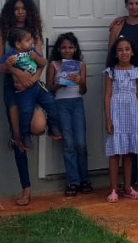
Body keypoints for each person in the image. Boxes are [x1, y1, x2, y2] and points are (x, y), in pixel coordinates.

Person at [0, 0, 48, 206]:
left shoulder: (34, 33)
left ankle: (16, 132)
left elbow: (41, 63)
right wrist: (18, 74)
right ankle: (26, 189)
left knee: (38, 127)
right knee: (19, 139)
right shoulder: (3, 32)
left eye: (23, 8)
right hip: (12, 87)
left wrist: (31, 79)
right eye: (16, 8)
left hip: (32, 87)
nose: (20, 12)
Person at [108, 0, 138, 189]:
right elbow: (111, 50)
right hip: (122, 81)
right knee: (126, 132)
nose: (134, 7)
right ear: (126, 5)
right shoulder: (119, 25)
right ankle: (130, 181)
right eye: (131, 3)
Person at [103, 37, 138, 202]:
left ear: (132, 52)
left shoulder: (137, 72)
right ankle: (113, 189)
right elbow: (107, 96)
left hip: (132, 113)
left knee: (129, 152)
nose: (124, 53)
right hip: (116, 113)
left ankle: (128, 187)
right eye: (120, 50)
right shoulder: (111, 72)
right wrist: (108, 119)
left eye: (127, 49)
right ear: (115, 54)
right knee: (115, 152)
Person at [46, 32, 93, 196]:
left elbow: (84, 90)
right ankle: (73, 181)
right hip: (61, 104)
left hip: (77, 103)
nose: (67, 50)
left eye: (71, 47)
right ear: (59, 49)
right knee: (68, 143)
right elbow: (49, 89)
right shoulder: (54, 65)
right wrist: (59, 84)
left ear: (75, 48)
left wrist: (80, 81)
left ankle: (84, 179)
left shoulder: (80, 65)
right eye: (64, 47)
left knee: (81, 143)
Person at [0, 27, 62, 150]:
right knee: (26, 111)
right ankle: (25, 136)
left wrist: (36, 58)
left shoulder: (32, 52)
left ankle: (53, 126)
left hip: (37, 85)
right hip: (24, 91)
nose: (32, 42)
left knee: (50, 101)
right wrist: (7, 65)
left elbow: (43, 63)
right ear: (18, 44)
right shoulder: (11, 56)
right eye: (28, 40)